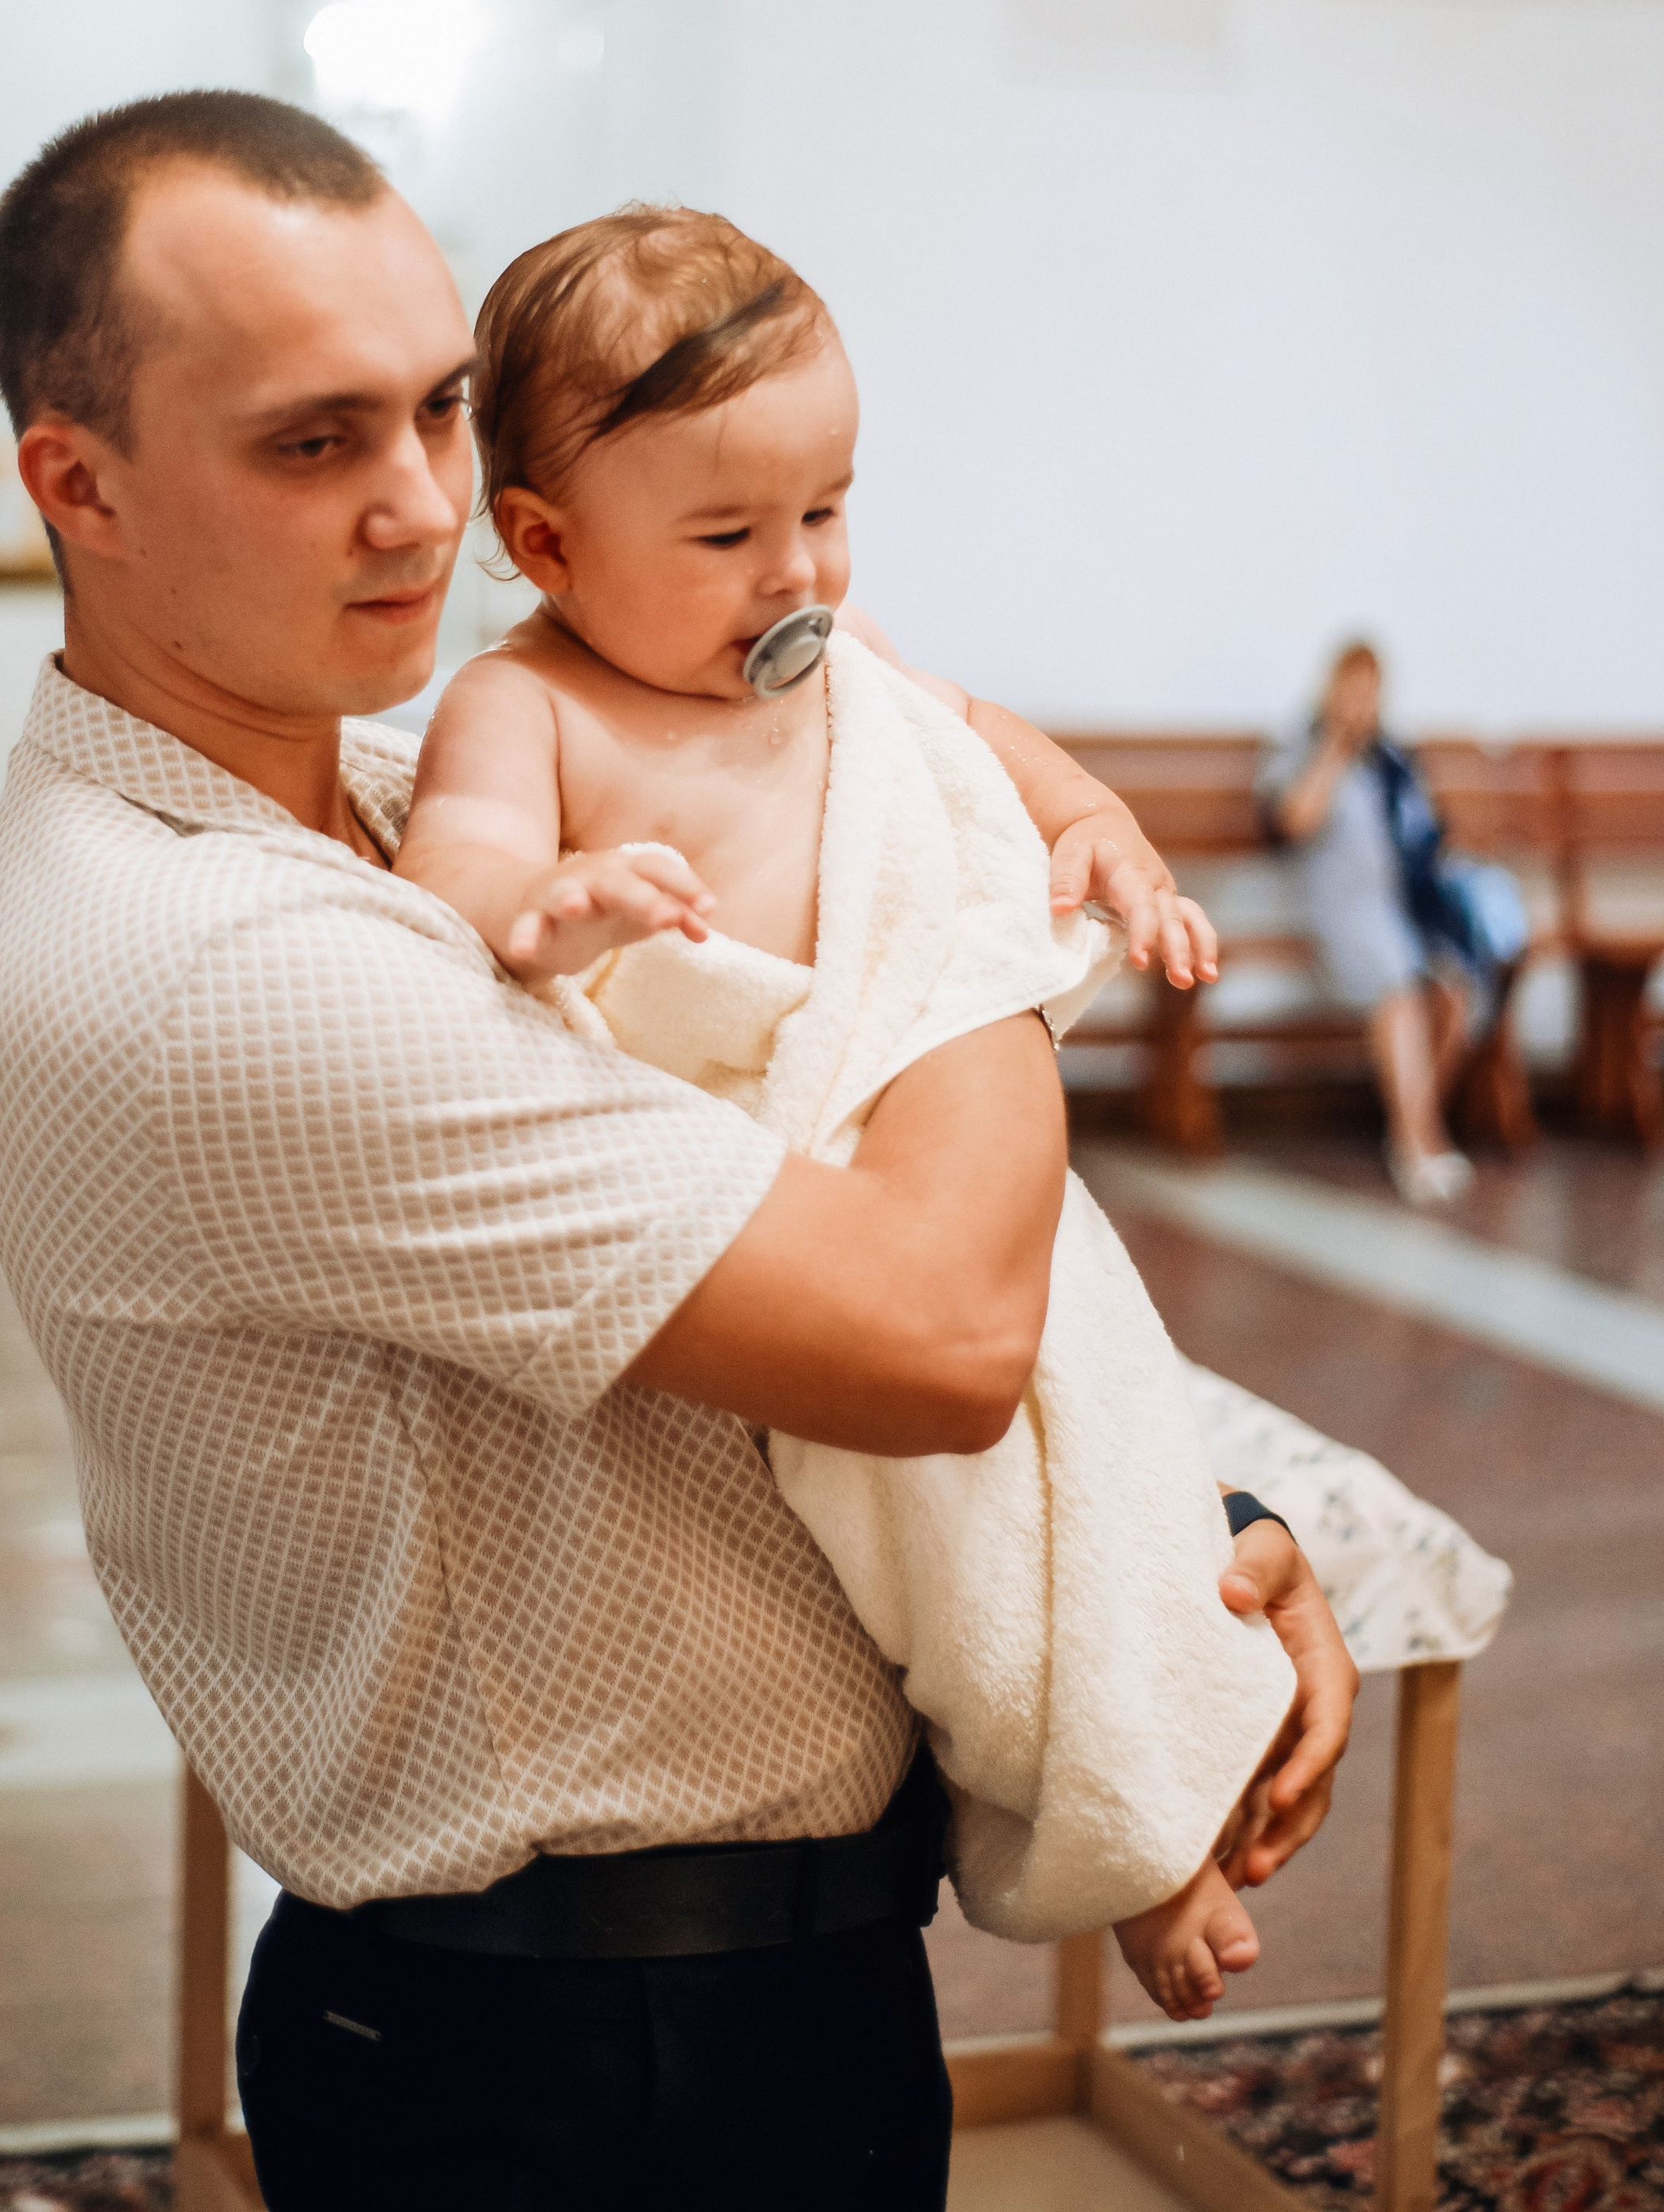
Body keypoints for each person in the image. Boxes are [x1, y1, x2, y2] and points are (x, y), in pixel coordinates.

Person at [0, 90, 1355, 2212]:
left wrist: (1188, 1536)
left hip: (737, 1986)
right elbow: (939, 1328)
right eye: (313, 441)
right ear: (85, 482)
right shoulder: (218, 956)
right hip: (580, 2068)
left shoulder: (401, 782)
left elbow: (789, 1228)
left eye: (437, 408)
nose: (421, 507)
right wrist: (971, 904)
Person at [400, 205, 1287, 2022]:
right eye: (725, 532)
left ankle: (1151, 1789)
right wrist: (546, 908)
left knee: (1094, 1463)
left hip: (912, 1109)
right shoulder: (521, 701)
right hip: (771, 1187)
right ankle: (1101, 1825)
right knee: (946, 1555)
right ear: (544, 539)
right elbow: (456, 872)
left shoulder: (839, 647)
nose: (792, 571)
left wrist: (1087, 822)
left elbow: (964, 739)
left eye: (824, 508)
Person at [1257, 640, 1518, 1207]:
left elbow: (1425, 840)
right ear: (1329, 688)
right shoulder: (1300, 748)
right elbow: (1292, 822)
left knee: (1453, 988)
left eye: (1369, 691)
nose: (1359, 702)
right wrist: (1334, 748)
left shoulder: (1394, 762)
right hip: (1339, 911)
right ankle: (1417, 1141)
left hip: (1399, 908)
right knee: (1398, 987)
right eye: (1349, 688)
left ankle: (1412, 1123)